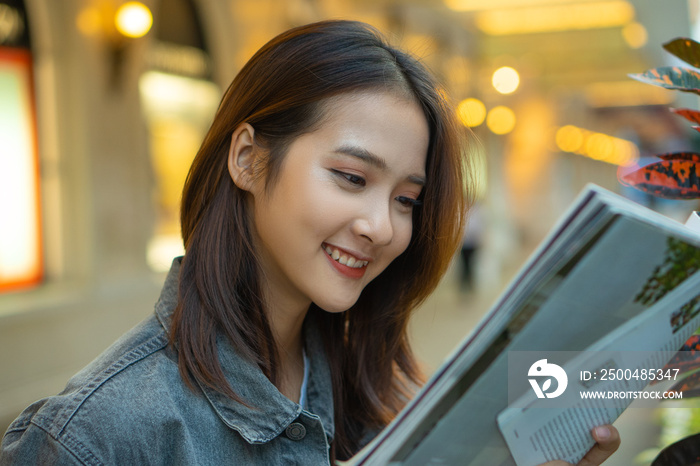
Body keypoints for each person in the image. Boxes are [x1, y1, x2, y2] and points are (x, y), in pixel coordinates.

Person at [0, 20, 619, 465]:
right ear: (246, 158)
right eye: (352, 178)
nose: (381, 226)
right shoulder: (94, 437)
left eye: (406, 199)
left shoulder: (373, 389)